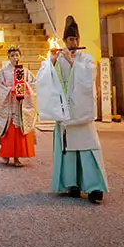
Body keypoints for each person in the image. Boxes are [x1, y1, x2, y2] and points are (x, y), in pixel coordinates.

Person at [36, 16, 109, 204]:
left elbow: (88, 76)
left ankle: (95, 188)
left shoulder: (86, 59)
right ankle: (72, 184)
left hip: (81, 113)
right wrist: (51, 63)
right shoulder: (58, 58)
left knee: (88, 149)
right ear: (64, 41)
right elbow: (44, 77)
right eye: (70, 40)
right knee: (68, 150)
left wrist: (72, 63)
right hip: (65, 112)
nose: (74, 43)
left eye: (76, 39)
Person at [0, 45, 38, 167]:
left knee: (19, 130)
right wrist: (9, 90)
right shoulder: (2, 72)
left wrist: (24, 88)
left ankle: (18, 157)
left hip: (21, 105)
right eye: (12, 55)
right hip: (8, 104)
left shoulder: (25, 71)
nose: (15, 58)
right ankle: (6, 154)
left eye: (17, 55)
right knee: (9, 130)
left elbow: (33, 84)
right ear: (8, 57)